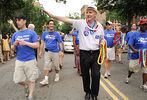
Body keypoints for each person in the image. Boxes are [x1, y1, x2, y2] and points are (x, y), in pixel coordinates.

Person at [42, 5, 104, 100]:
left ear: (95, 14)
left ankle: (94, 94)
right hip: (84, 53)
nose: (88, 14)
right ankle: (87, 92)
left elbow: (102, 39)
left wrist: (103, 42)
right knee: (85, 74)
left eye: (90, 12)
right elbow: (66, 19)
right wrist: (53, 16)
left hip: (96, 53)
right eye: (87, 12)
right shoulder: (81, 23)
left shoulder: (99, 26)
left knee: (96, 74)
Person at [11, 14, 39, 100]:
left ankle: (30, 96)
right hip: (19, 60)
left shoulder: (32, 33)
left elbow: (37, 45)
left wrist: (26, 43)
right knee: (17, 80)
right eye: (16, 20)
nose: (17, 22)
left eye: (19, 20)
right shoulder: (15, 34)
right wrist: (14, 45)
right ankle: (25, 86)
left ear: (24, 21)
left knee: (32, 79)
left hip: (30, 60)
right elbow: (11, 48)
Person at [39, 20, 63, 85]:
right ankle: (46, 79)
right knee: (47, 65)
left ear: (54, 25)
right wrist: (40, 51)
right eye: (50, 24)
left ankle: (57, 75)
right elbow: (42, 43)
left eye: (52, 24)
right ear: (48, 25)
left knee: (56, 66)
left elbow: (60, 42)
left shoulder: (57, 34)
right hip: (47, 52)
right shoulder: (44, 33)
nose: (51, 25)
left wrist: (61, 51)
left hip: (55, 52)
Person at [127, 19, 147, 91]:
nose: (145, 26)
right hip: (136, 55)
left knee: (145, 71)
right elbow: (130, 44)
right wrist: (134, 50)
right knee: (131, 68)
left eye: (146, 25)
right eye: (144, 25)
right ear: (140, 25)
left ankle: (144, 84)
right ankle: (129, 76)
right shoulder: (135, 34)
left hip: (145, 56)